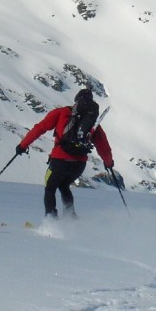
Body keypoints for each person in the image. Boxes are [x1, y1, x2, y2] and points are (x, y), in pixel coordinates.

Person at [16, 89, 114, 219]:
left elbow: (39, 128)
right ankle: (70, 218)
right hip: (79, 164)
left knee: (50, 187)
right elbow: (103, 146)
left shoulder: (61, 112)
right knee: (64, 185)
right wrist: (109, 163)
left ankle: (51, 221)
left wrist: (22, 146)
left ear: (76, 100)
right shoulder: (92, 123)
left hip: (59, 160)